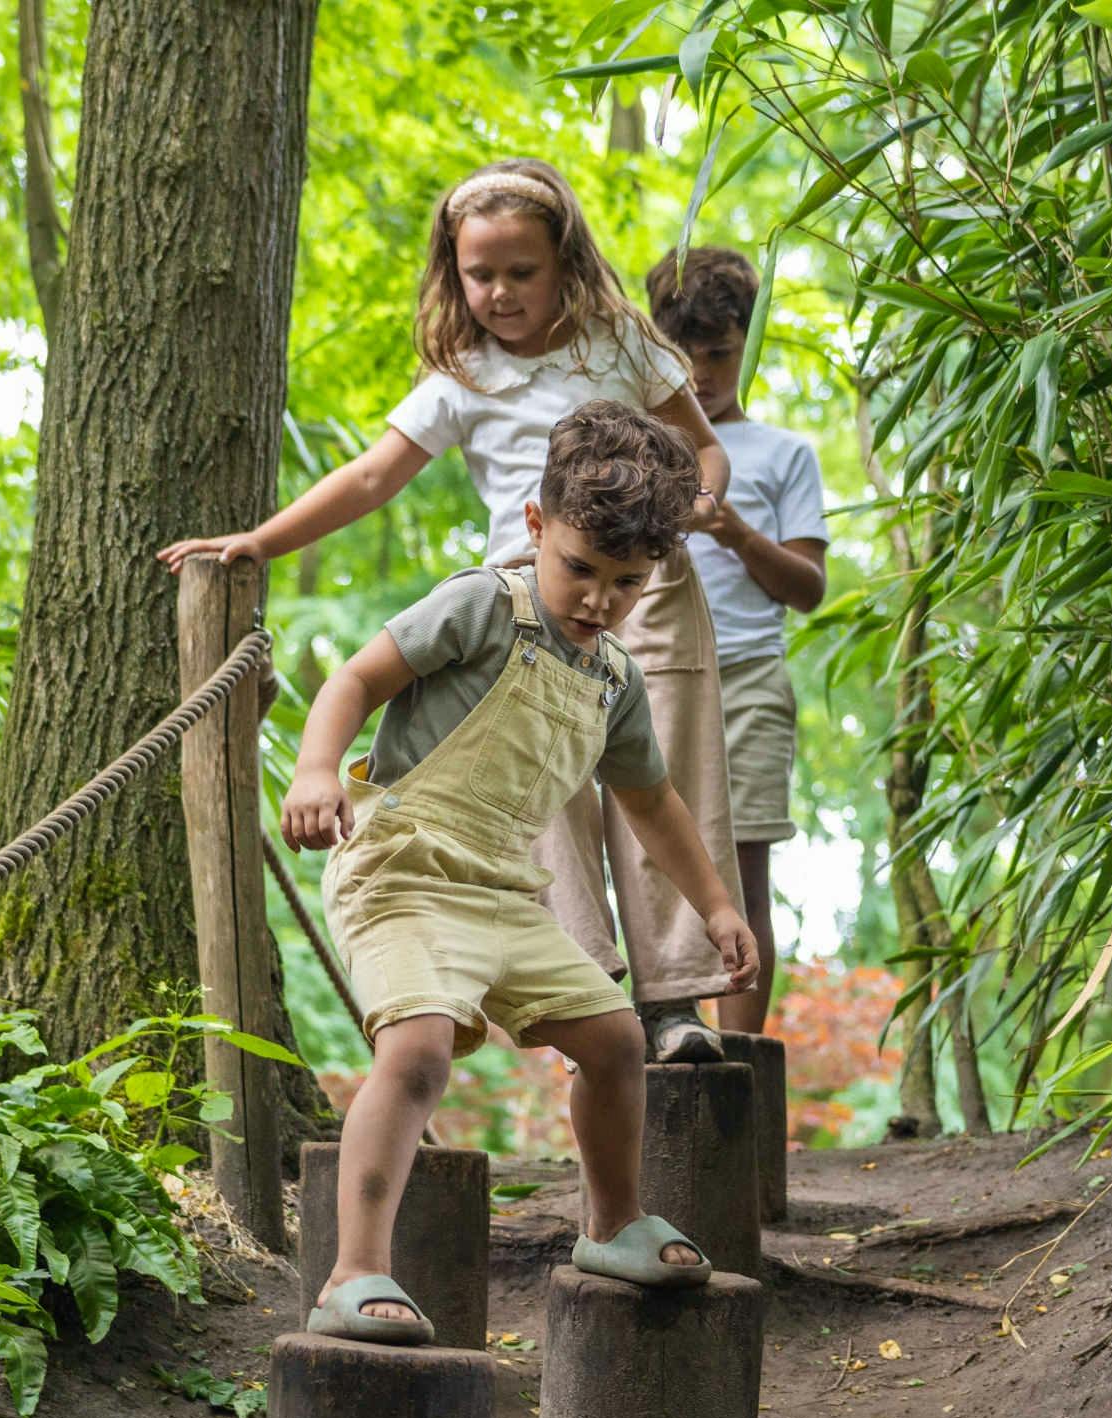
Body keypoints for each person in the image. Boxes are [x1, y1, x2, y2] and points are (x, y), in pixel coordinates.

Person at [161, 158, 746, 1066]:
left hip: (645, 588)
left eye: (523, 271)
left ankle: (675, 1002)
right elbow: (370, 476)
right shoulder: (461, 376)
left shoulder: (620, 342)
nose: (501, 292)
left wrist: (695, 509)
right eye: (481, 275)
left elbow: (705, 451)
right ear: (453, 272)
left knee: (657, 777)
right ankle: (598, 990)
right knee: (547, 791)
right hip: (522, 601)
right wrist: (261, 541)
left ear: (566, 264)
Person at [277, 401, 758, 1342]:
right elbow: (356, 680)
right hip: (404, 871)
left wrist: (715, 904)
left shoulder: (615, 679)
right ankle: (354, 1270)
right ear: (536, 527)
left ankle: (612, 1222)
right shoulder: (480, 605)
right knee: (414, 1053)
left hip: (504, 889)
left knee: (619, 1040)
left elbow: (653, 802)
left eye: (626, 582)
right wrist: (314, 769)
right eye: (580, 568)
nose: (598, 599)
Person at [642, 246, 829, 1036]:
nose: (701, 374)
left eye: (717, 354)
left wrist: (732, 529)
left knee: (744, 873)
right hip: (646, 678)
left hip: (747, 676)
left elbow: (809, 589)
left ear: (744, 343)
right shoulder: (637, 443)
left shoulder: (784, 454)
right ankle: (664, 1047)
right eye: (682, 357)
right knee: (651, 870)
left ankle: (742, 1069)